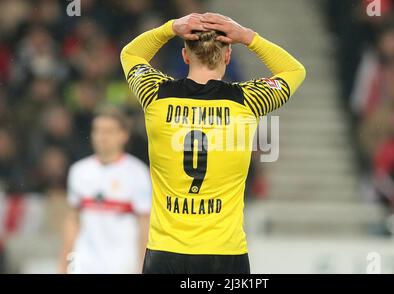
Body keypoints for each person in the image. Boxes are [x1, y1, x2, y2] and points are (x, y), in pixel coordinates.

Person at [120, 12, 306, 274]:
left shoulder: (156, 95)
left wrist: (171, 28)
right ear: (228, 56)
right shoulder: (248, 101)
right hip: (225, 254)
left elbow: (130, 54)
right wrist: (247, 37)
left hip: (166, 253)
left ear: (185, 56)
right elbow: (294, 70)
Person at [59, 106, 151, 274]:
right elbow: (72, 221)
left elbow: (145, 226)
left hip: (123, 266)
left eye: (109, 131)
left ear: (124, 135)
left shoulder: (138, 174)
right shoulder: (79, 171)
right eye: (98, 130)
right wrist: (63, 266)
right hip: (84, 264)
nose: (102, 137)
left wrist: (143, 268)